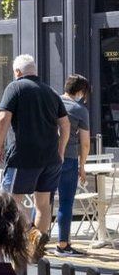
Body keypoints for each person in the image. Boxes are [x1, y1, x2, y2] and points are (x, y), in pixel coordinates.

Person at [0, 54, 69, 260]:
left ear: (17, 72)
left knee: (10, 201)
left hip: (24, 156)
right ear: (34, 71)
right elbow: (65, 124)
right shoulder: (51, 92)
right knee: (43, 204)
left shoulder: (15, 87)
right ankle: (36, 247)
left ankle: (31, 234)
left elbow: (3, 118)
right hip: (51, 158)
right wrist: (61, 150)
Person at [54, 74, 91, 257]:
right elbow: (85, 143)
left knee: (42, 202)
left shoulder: (53, 102)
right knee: (66, 202)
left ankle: (35, 242)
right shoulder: (79, 109)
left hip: (47, 158)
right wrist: (82, 165)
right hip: (68, 159)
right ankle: (63, 244)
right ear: (80, 91)